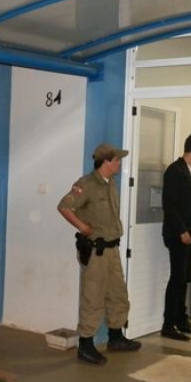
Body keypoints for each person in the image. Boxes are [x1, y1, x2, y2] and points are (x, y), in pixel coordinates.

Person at [57, 143, 141, 365]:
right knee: (92, 297)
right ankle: (85, 345)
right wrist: (82, 227)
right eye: (117, 160)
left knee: (118, 294)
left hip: (112, 250)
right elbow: (64, 206)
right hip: (96, 252)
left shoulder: (110, 183)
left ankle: (116, 337)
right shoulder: (86, 184)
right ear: (106, 161)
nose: (119, 163)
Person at [160, 133, 191, 341]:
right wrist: (182, 231)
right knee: (177, 279)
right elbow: (169, 206)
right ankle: (168, 324)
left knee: (184, 279)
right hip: (179, 236)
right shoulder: (175, 171)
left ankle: (181, 319)